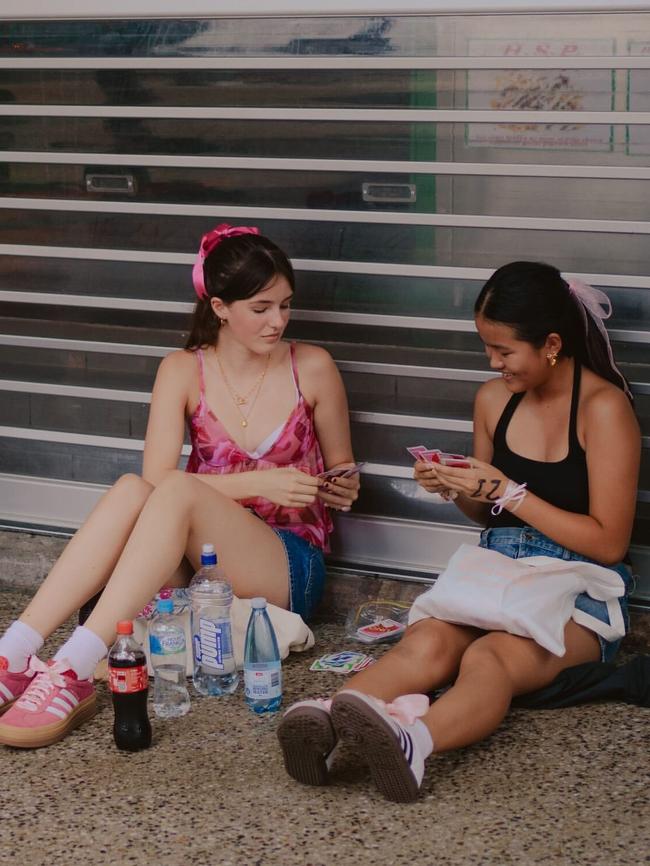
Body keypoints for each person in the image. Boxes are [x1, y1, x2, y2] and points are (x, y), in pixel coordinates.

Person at [277, 260, 640, 803]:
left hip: (580, 588)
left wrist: (512, 493)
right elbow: (487, 515)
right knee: (425, 642)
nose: (493, 363)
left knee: (487, 658)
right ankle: (331, 719)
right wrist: (459, 489)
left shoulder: (604, 409)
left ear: (552, 344)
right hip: (498, 569)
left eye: (504, 351)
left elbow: (609, 541)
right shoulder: (494, 400)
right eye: (486, 348)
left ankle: (414, 743)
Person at [0, 224, 359, 748]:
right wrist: (261, 481)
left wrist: (340, 488)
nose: (277, 321)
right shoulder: (182, 370)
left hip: (286, 563)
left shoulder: (314, 367)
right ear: (219, 307)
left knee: (176, 490)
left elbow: (343, 471)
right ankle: (15, 651)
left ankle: (73, 668)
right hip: (198, 562)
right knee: (131, 488)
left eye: (285, 305)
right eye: (261, 308)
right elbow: (154, 483)